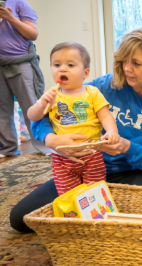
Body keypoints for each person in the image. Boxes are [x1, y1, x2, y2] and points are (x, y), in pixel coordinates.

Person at [10, 28, 142, 233]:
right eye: (123, 61)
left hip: (134, 173)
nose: (127, 68)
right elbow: (40, 117)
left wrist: (126, 147)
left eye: (136, 63)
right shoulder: (102, 86)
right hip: (84, 168)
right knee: (20, 219)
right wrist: (52, 140)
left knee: (129, 227)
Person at [27, 42, 119, 195]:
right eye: (56, 65)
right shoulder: (51, 95)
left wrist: (112, 131)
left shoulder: (93, 93)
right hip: (61, 156)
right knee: (69, 195)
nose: (62, 69)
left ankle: (94, 217)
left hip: (92, 153)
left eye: (70, 65)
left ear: (85, 73)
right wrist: (42, 103)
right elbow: (32, 116)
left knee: (95, 193)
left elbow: (106, 116)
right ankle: (74, 217)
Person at [0, 0, 50, 157]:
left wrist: (11, 18)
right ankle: (7, 149)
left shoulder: (19, 4)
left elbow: (33, 34)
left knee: (31, 106)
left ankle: (45, 147)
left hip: (20, 62)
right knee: (2, 109)